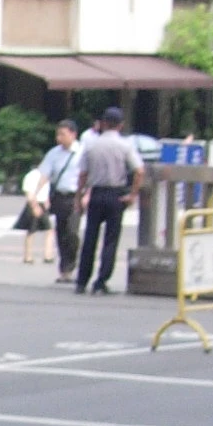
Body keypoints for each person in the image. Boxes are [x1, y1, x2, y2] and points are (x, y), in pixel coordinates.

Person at [74, 106, 143, 296]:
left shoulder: (91, 146)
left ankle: (81, 281)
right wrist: (133, 194)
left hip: (95, 194)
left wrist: (79, 196)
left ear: (103, 123)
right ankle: (101, 281)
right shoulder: (125, 145)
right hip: (116, 195)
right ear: (121, 125)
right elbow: (139, 170)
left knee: (90, 238)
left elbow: (82, 174)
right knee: (110, 240)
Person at [36, 120, 84, 279]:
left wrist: (87, 194)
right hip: (59, 196)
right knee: (61, 232)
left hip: (76, 196)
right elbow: (44, 174)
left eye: (63, 134)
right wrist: (37, 194)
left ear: (73, 134)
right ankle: (65, 269)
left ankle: (71, 264)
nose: (59, 138)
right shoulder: (54, 153)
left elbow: (88, 175)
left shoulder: (82, 152)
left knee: (72, 232)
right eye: (58, 134)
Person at [17, 157, 52, 266]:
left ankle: (48, 254)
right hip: (34, 203)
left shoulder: (45, 176)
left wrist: (46, 201)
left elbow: (45, 190)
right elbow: (29, 193)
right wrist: (34, 206)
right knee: (31, 231)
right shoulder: (31, 176)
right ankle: (28, 256)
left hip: (42, 203)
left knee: (49, 229)